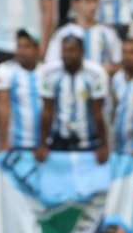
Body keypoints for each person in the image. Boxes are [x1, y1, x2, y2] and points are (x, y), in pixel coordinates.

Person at [36, 35, 110, 163]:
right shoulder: (50, 72)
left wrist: (104, 145)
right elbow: (47, 111)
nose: (67, 55)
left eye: (71, 51)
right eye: (64, 51)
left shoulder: (96, 73)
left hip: (88, 140)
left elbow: (98, 112)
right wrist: (42, 144)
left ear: (82, 51)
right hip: (59, 139)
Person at [0, 30, 45, 152]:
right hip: (15, 144)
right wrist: (3, 141)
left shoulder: (47, 72)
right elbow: (2, 107)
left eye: (27, 47)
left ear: (37, 49)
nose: (21, 51)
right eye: (19, 46)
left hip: (44, 144)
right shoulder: (6, 69)